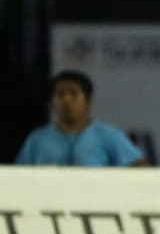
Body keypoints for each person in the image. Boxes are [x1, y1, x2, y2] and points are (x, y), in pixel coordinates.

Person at [15, 70, 148, 166]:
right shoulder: (37, 140)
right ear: (51, 103)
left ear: (88, 101)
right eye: (60, 94)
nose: (67, 100)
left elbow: (141, 168)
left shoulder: (107, 136)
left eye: (73, 93)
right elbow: (17, 177)